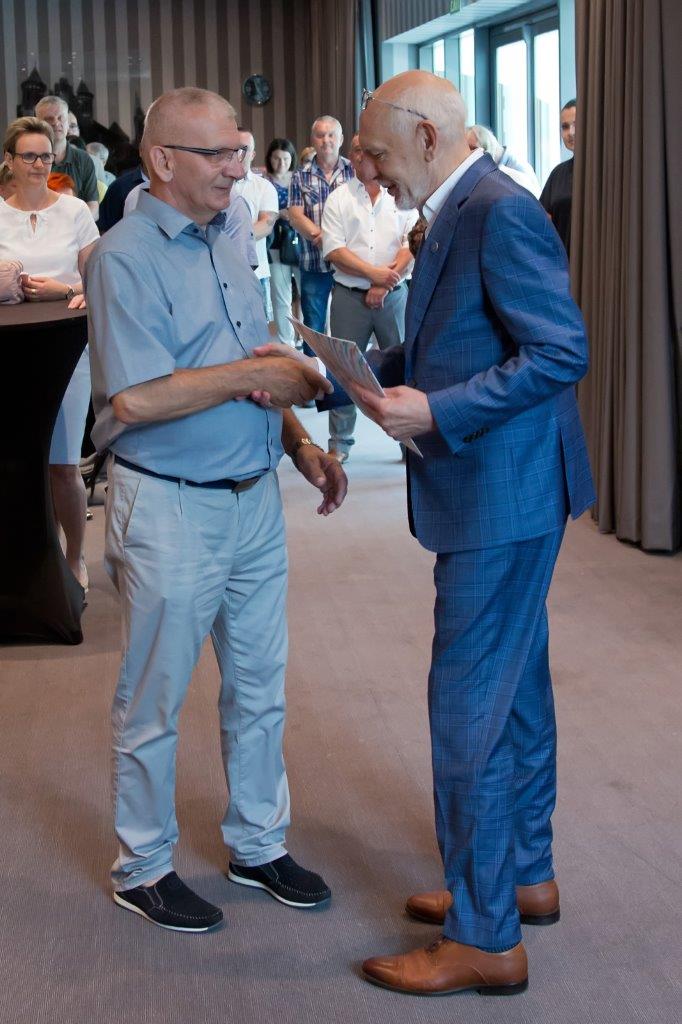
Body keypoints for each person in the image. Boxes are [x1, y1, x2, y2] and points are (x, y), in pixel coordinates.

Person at [308, 70, 594, 995]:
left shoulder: (497, 212)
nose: (367, 171)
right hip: (506, 489)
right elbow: (450, 342)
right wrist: (342, 373)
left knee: (466, 709)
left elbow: (562, 350)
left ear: (428, 137)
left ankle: (484, 935)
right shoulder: (454, 205)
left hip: (501, 495)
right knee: (518, 693)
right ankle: (523, 875)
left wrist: (438, 412)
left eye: (375, 153)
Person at [85, 87, 347, 933]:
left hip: (253, 500)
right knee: (154, 699)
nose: (240, 168)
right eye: (219, 155)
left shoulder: (231, 236)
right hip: (169, 507)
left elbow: (250, 360)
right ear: (162, 161)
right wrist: (253, 376)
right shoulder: (122, 257)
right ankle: (143, 867)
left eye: (239, 149)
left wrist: (299, 446)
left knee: (261, 688)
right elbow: (132, 400)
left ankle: (258, 844)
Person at [0, 117, 99, 591]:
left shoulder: (75, 211)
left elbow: (100, 281)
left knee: (62, 465)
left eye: (46, 155)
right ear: (9, 161)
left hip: (67, 349)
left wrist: (66, 289)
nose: (40, 164)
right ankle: (32, 563)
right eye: (29, 156)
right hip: (10, 352)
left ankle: (74, 558)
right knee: (19, 466)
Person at [321, 133, 417, 462]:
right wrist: (374, 275)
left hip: (394, 296)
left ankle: (408, 444)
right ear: (351, 157)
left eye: (369, 151)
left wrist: (384, 283)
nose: (363, 156)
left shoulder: (400, 194)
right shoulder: (338, 198)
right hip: (349, 298)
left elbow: (410, 244)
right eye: (358, 151)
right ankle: (339, 443)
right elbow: (334, 250)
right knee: (344, 370)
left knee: (405, 369)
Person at [288, 116, 354, 349]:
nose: (326, 140)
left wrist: (335, 244)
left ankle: (345, 371)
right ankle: (313, 370)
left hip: (349, 265)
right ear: (312, 140)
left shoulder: (354, 171)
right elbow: (296, 216)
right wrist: (326, 240)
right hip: (314, 263)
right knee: (314, 327)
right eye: (320, 135)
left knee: (347, 327)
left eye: (331, 134)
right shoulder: (300, 175)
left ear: (341, 139)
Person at [231, 130, 279, 321]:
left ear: (252, 154)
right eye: (234, 148)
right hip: (220, 271)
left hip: (256, 272)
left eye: (245, 149)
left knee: (258, 329)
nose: (239, 154)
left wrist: (228, 236)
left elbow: (266, 225)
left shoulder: (264, 187)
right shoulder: (214, 185)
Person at [35, 96, 98, 218]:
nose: (56, 123)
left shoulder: (83, 159)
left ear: (68, 123)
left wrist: (71, 225)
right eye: (49, 119)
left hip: (77, 227)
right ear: (37, 125)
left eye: (61, 118)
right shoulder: (28, 159)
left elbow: (94, 208)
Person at [265, 137, 300, 345]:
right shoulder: (264, 182)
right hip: (276, 243)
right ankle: (287, 342)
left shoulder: (299, 179)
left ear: (291, 159)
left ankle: (308, 340)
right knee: (280, 295)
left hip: (301, 244)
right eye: (276, 158)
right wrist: (280, 213)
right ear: (270, 159)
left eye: (285, 159)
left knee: (307, 295)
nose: (281, 163)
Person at [540, 99, 576, 257]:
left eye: (576, 125)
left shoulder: (605, 173)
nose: (570, 133)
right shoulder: (558, 174)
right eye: (565, 127)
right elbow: (543, 220)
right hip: (563, 263)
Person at [466, 125, 541, 197]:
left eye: (472, 149)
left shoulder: (518, 170)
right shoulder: (493, 167)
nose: (468, 157)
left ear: (486, 148)